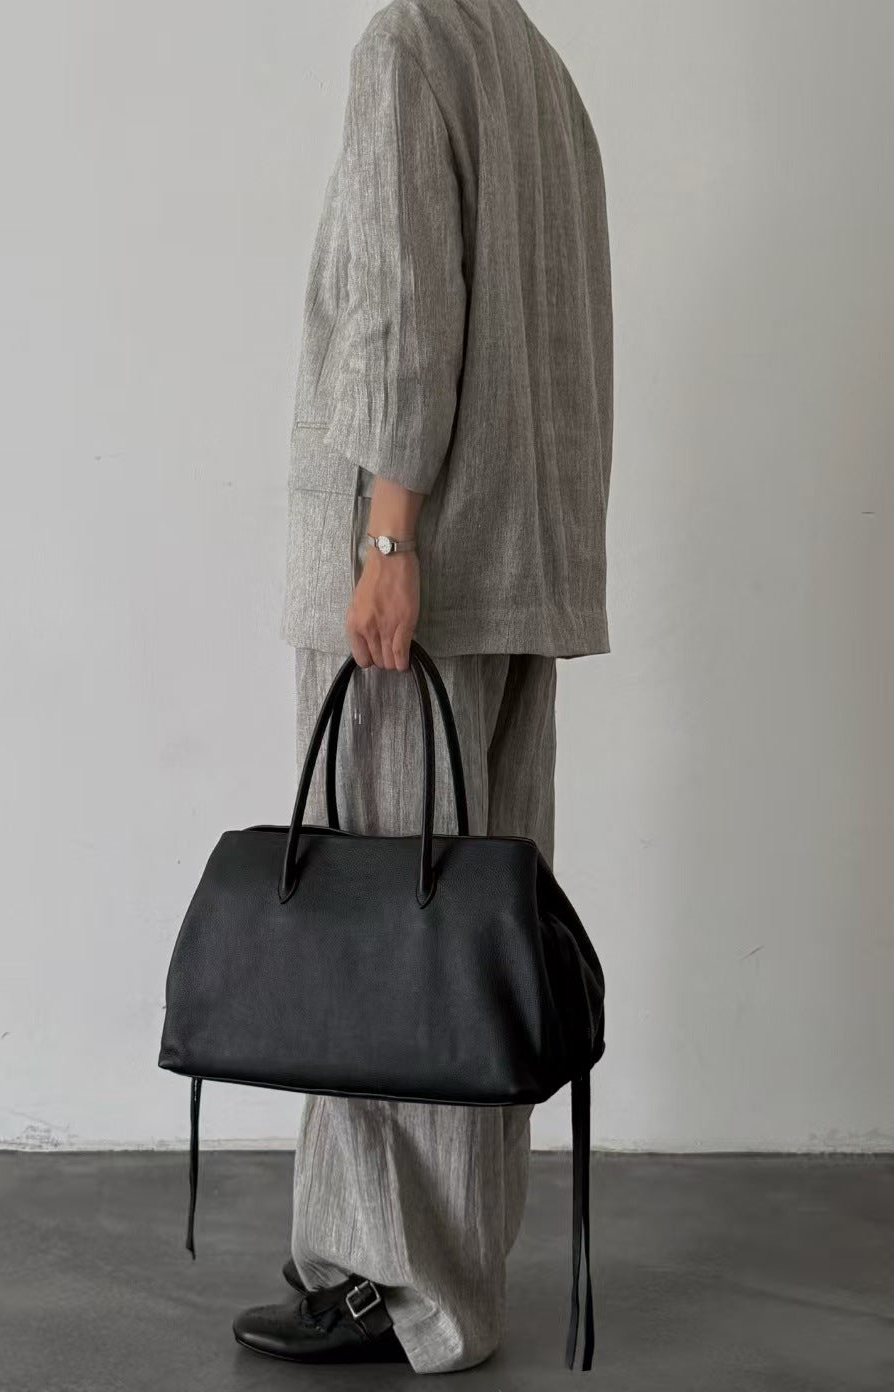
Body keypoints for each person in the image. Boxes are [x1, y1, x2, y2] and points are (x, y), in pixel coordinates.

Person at [233, 0, 612, 1372]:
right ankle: (450, 1288)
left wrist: (387, 538)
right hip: (517, 561)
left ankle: (374, 1277)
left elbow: (401, 305)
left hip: (416, 566)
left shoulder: (407, 46)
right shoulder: (541, 72)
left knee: (371, 930)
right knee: (465, 944)